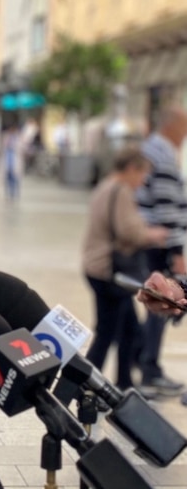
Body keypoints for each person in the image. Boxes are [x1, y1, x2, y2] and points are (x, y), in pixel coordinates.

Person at [81, 147, 168, 390]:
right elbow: (129, 231)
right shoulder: (120, 191)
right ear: (131, 169)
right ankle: (85, 386)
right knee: (107, 333)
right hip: (110, 272)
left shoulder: (105, 186)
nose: (142, 183)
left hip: (98, 268)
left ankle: (124, 384)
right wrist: (154, 234)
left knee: (128, 331)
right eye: (142, 176)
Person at [135, 106, 187, 398]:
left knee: (159, 301)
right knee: (163, 301)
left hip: (149, 242)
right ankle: (150, 367)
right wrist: (177, 252)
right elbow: (168, 210)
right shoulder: (163, 156)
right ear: (172, 127)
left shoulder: (149, 150)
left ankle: (143, 361)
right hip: (159, 246)